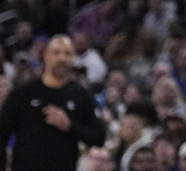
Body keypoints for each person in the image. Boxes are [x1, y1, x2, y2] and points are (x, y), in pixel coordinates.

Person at [0, 35, 107, 171]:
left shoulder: (82, 95)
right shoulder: (23, 92)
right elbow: (2, 134)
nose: (62, 58)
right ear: (45, 56)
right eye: (56, 53)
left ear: (73, 59)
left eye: (68, 54)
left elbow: (99, 137)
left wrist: (69, 126)